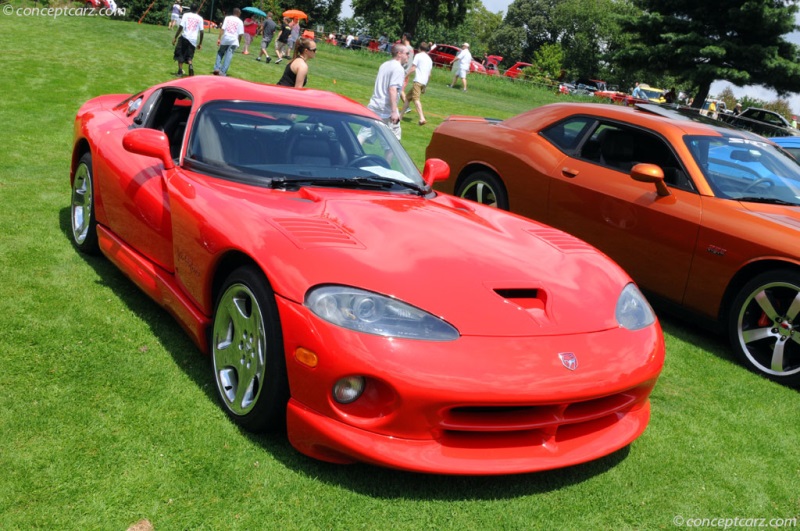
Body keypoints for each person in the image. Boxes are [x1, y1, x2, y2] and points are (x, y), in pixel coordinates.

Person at [366, 43, 409, 140]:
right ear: (399, 54)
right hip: (386, 109)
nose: (408, 56)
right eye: (407, 54)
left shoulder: (384, 65)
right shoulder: (398, 69)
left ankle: (351, 154)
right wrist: (394, 112)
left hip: (374, 104)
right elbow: (392, 89)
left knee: (363, 134)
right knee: (393, 142)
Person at [401, 41, 432, 126]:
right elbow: (429, 74)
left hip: (418, 81)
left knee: (416, 99)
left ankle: (422, 118)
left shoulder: (418, 56)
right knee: (407, 98)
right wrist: (425, 87)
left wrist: (405, 76)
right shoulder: (429, 59)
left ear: (419, 48)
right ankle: (400, 116)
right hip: (424, 82)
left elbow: (413, 68)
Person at [172, 3, 203, 77]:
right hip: (193, 40)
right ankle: (190, 66)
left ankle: (180, 71)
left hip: (184, 37)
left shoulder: (186, 15)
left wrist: (175, 37)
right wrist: (200, 43)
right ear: (196, 10)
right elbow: (202, 32)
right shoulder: (200, 18)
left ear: (190, 8)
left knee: (180, 54)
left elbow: (181, 27)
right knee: (189, 56)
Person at [213, 7, 243, 76]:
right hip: (234, 40)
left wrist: (219, 38)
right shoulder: (240, 22)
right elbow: (240, 35)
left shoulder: (227, 18)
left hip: (226, 38)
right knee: (228, 56)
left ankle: (217, 68)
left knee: (220, 52)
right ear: (238, 13)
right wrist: (239, 42)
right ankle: (223, 72)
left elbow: (222, 29)